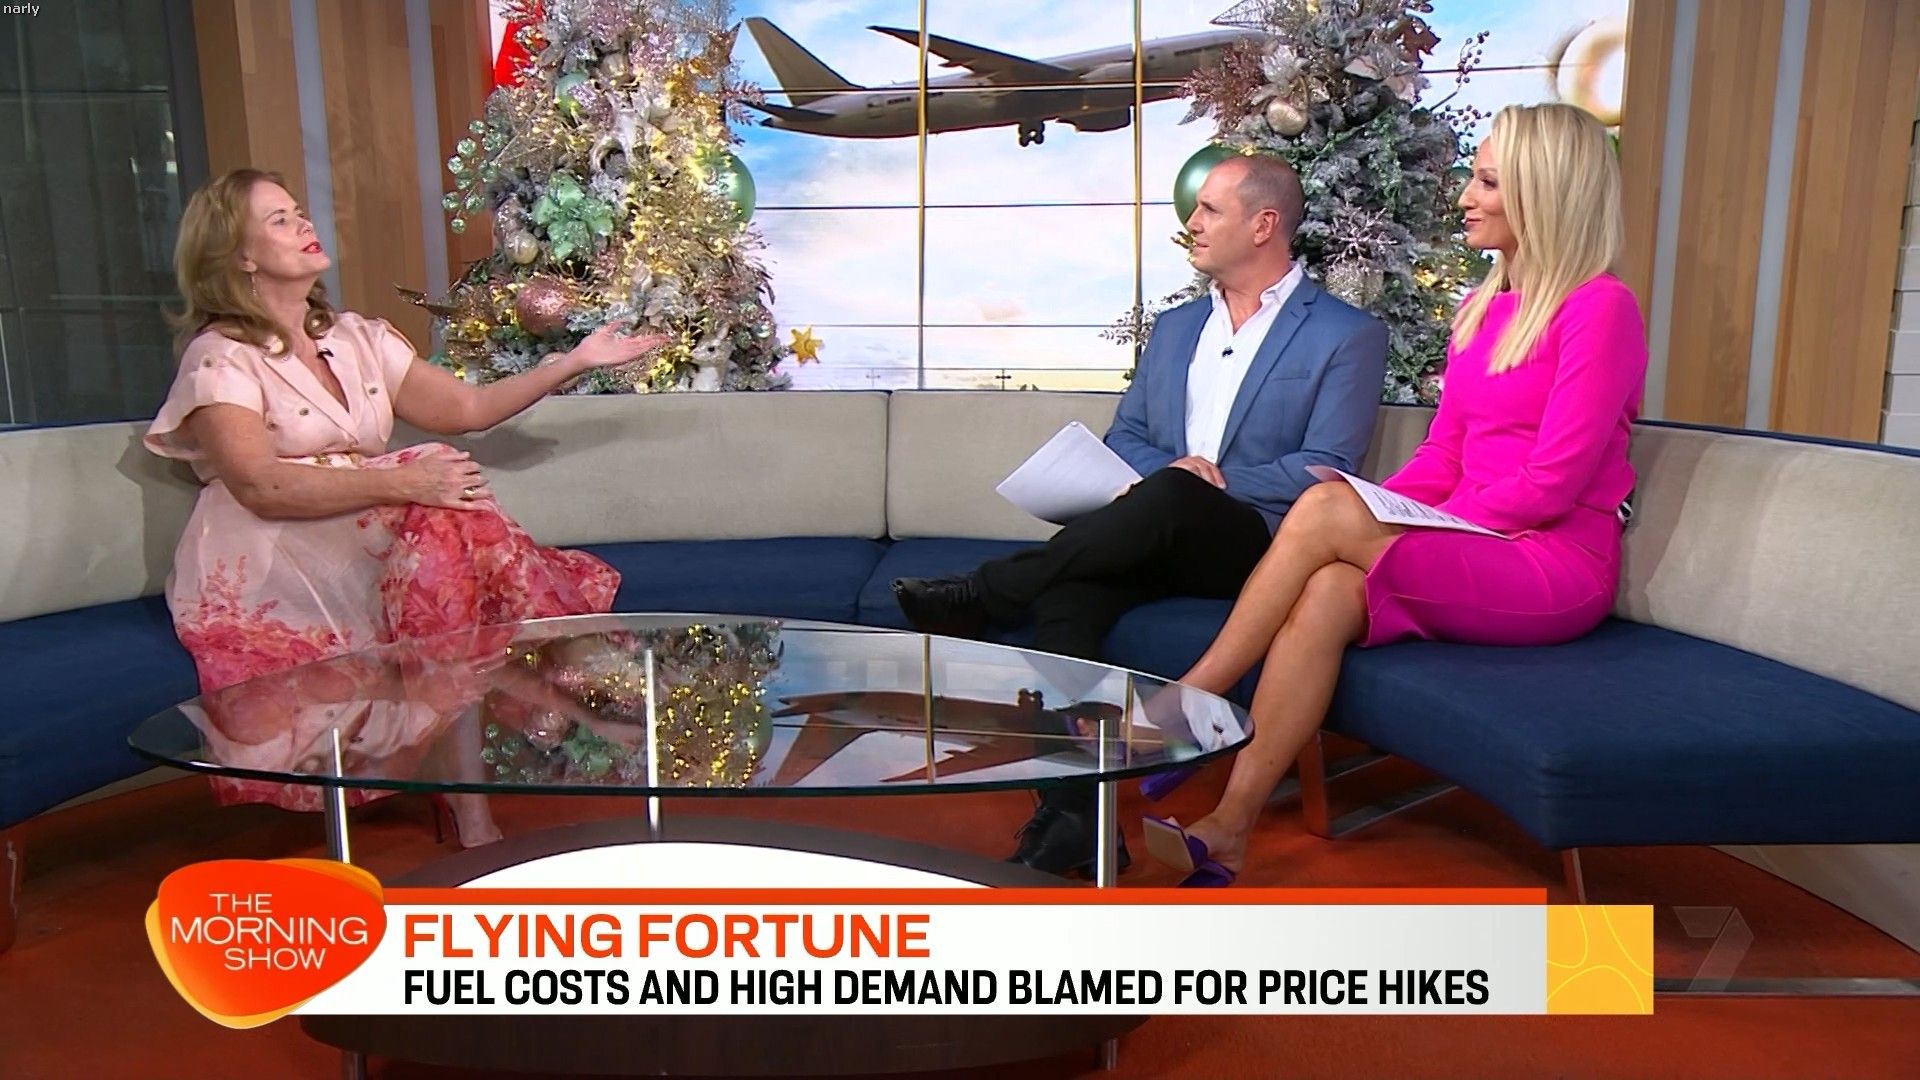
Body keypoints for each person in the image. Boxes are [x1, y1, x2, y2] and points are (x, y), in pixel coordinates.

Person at [1140, 103, 1648, 886]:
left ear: (1544, 192)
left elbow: (1553, 483)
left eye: (1486, 182)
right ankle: (1231, 826)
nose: (1465, 197)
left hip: (1550, 561)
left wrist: (1412, 523)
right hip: (1473, 540)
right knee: (1327, 588)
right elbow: (1444, 453)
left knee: (1324, 511)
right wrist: (1379, 504)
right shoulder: (1480, 308)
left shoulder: (1599, 308)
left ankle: (1188, 704)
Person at [891, 153, 1388, 876]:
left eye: (1210, 209)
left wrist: (1211, 481)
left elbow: (1327, 464)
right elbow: (1126, 435)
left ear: (1264, 225)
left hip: (1258, 545)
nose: (1192, 223)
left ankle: (992, 590)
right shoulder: (1177, 327)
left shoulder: (1344, 332)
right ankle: (1075, 819)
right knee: (1073, 592)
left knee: (1179, 494)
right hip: (1157, 528)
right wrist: (1174, 473)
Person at [146, 169, 664, 846]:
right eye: (280, 220)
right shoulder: (220, 358)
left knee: (447, 536)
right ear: (239, 255)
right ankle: (571, 667)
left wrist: (575, 360)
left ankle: (506, 757)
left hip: (367, 544)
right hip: (275, 558)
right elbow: (260, 486)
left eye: (299, 212)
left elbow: (468, 408)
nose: (304, 225)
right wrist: (407, 483)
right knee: (439, 506)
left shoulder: (356, 338)